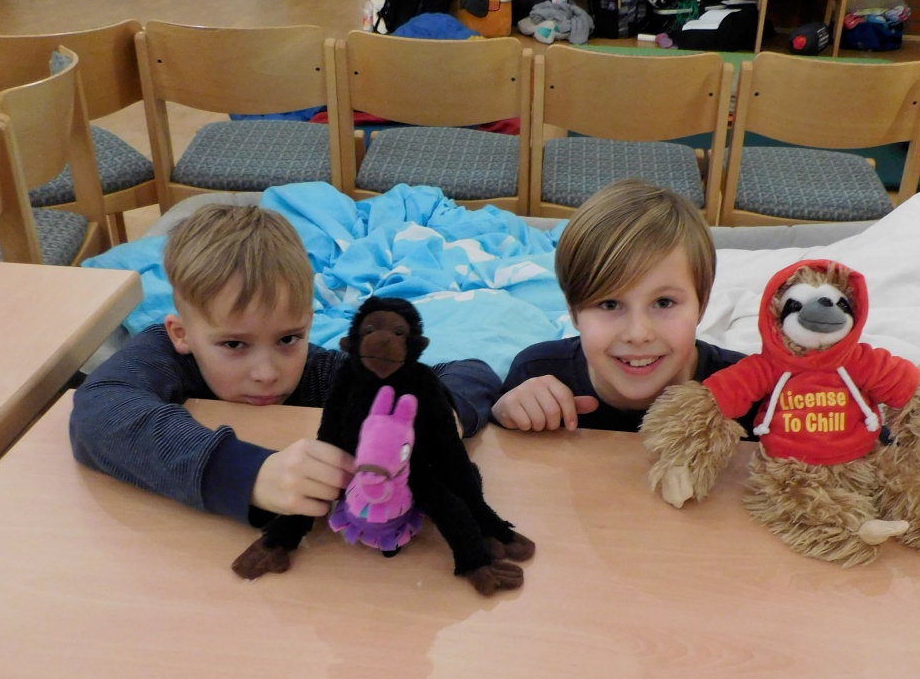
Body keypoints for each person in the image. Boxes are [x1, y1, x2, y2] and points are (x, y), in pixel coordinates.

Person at [70, 204, 500, 529]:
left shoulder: (321, 372)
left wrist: (442, 415)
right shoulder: (162, 355)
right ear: (181, 334)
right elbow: (99, 410)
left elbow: (470, 372)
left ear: (308, 325)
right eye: (234, 344)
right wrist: (250, 473)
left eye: (288, 339)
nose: (267, 373)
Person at [492, 179, 747, 433]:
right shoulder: (535, 374)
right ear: (573, 312)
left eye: (664, 302)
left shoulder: (749, 390)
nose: (638, 334)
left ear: (701, 305)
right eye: (610, 304)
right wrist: (503, 413)